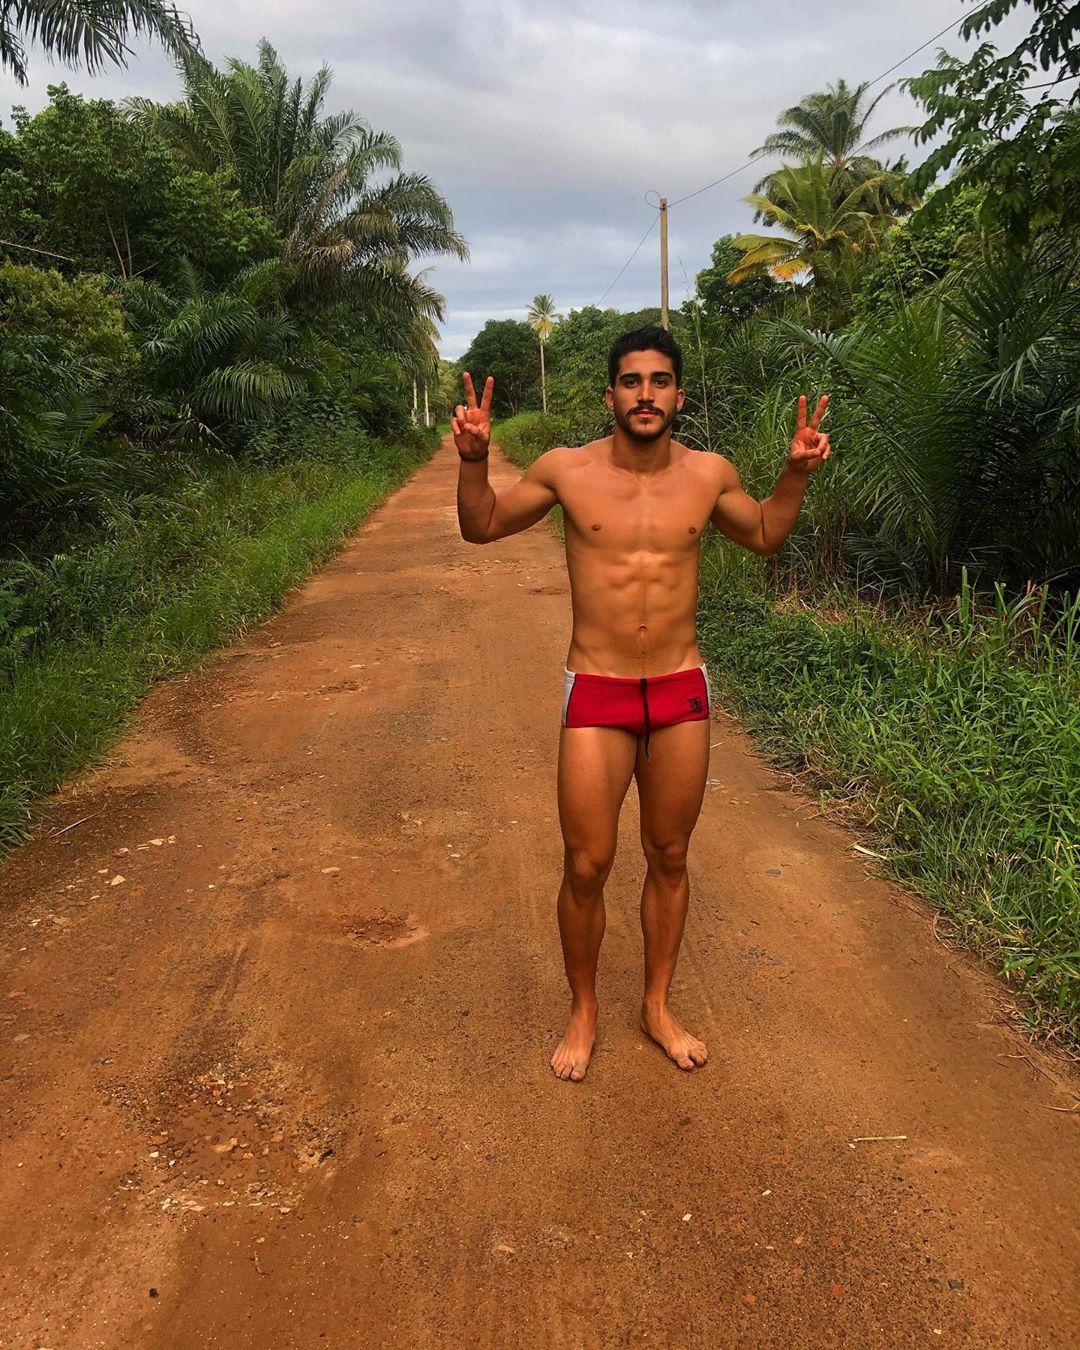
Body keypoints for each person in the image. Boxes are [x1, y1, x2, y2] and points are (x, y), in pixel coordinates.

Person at [454, 325, 831, 1082]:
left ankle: (656, 1005)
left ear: (679, 396)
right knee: (586, 864)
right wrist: (471, 461)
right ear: (611, 395)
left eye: (660, 381)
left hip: (680, 689)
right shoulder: (567, 470)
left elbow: (763, 533)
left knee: (670, 855)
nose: (646, 394)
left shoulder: (708, 474)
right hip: (598, 690)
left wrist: (794, 474)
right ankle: (584, 1009)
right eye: (632, 381)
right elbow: (482, 525)